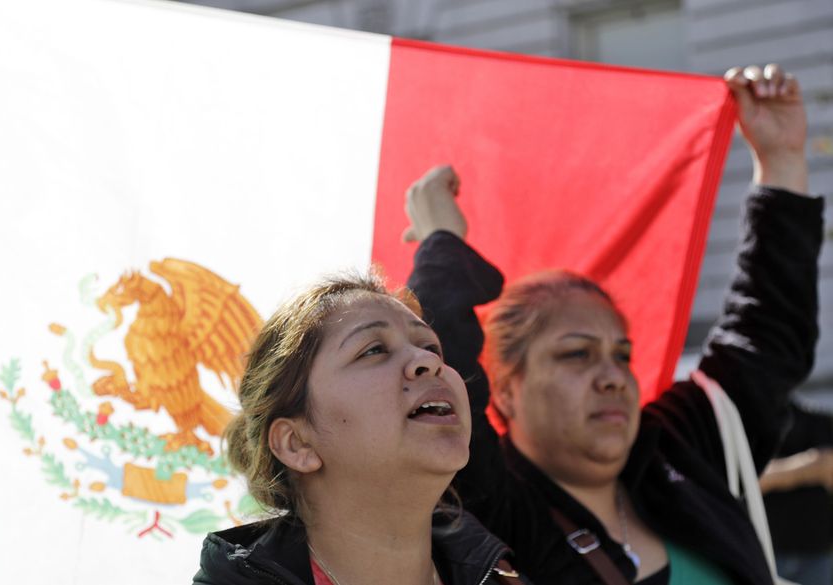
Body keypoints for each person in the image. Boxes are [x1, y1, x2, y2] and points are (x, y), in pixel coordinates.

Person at [404, 64, 824, 584]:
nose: (612, 376)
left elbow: (765, 335)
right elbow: (438, 369)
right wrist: (442, 243)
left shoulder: (679, 451)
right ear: (505, 391)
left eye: (621, 354)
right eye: (575, 354)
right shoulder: (494, 513)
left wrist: (780, 159)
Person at [192, 273, 532, 585]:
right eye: (374, 350)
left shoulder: (506, 575)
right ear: (297, 444)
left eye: (430, 347)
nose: (428, 361)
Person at [761, 400, 833, 585]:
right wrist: (810, 466)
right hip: (766, 553)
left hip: (816, 555)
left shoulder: (820, 414)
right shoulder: (756, 412)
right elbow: (745, 480)